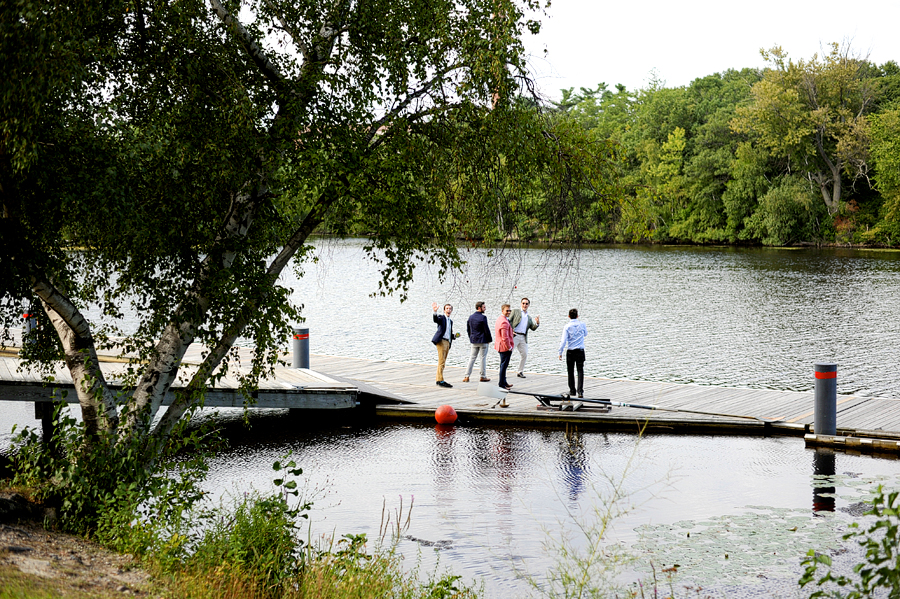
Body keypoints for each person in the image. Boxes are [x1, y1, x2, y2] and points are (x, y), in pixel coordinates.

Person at [558, 308, 587, 398]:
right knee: (580, 370)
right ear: (577, 316)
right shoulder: (582, 324)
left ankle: (572, 390)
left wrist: (560, 352)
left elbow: (563, 341)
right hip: (580, 350)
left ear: (569, 316)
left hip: (570, 351)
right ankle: (580, 391)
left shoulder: (567, 327)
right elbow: (585, 334)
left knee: (570, 371)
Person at [509, 297, 540, 379]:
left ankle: (520, 371)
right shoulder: (516, 311)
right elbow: (509, 321)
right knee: (508, 353)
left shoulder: (529, 317)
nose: (524, 305)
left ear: (529, 305)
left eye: (526, 304)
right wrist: (511, 331)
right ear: (521, 304)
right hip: (515, 335)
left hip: (523, 337)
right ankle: (503, 370)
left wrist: (537, 323)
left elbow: (532, 328)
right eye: (523, 303)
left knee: (524, 354)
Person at [463, 301, 492, 383]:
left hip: (474, 340)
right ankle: (483, 376)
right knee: (482, 358)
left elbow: (468, 329)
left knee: (472, 358)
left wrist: (471, 337)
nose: (485, 309)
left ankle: (467, 376)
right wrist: (489, 339)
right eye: (484, 307)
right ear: (479, 308)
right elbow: (486, 329)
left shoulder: (471, 317)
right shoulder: (483, 318)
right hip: (483, 340)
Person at [431, 302, 458, 388]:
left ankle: (439, 379)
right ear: (444, 310)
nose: (448, 310)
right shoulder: (442, 318)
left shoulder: (451, 321)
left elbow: (449, 333)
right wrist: (435, 312)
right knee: (441, 361)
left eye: (450, 309)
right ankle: (440, 380)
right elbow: (436, 320)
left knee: (443, 361)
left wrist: (454, 336)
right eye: (447, 309)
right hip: (441, 341)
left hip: (447, 342)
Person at [494, 304, 514, 390]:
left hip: (500, 345)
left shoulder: (500, 319)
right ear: (502, 311)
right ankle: (501, 384)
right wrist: (509, 347)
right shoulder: (504, 322)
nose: (509, 312)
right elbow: (504, 337)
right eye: (507, 311)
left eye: (509, 310)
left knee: (504, 365)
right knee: (504, 365)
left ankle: (504, 382)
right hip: (504, 347)